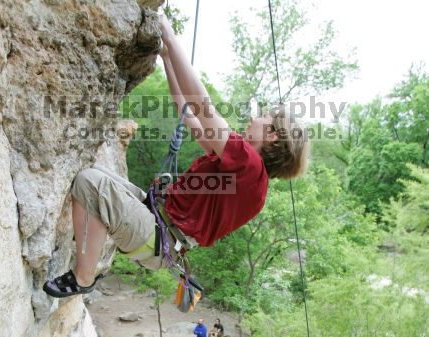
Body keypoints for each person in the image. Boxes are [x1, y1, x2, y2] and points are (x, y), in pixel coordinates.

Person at [43, 14, 309, 299]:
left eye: (264, 117)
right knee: (95, 173)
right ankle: (89, 236)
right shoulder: (243, 173)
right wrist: (167, 57)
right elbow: (188, 111)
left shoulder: (251, 168)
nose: (255, 117)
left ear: (272, 136)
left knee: (89, 182)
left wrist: (169, 35)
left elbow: (203, 105)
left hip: (157, 236)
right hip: (158, 229)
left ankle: (83, 277)